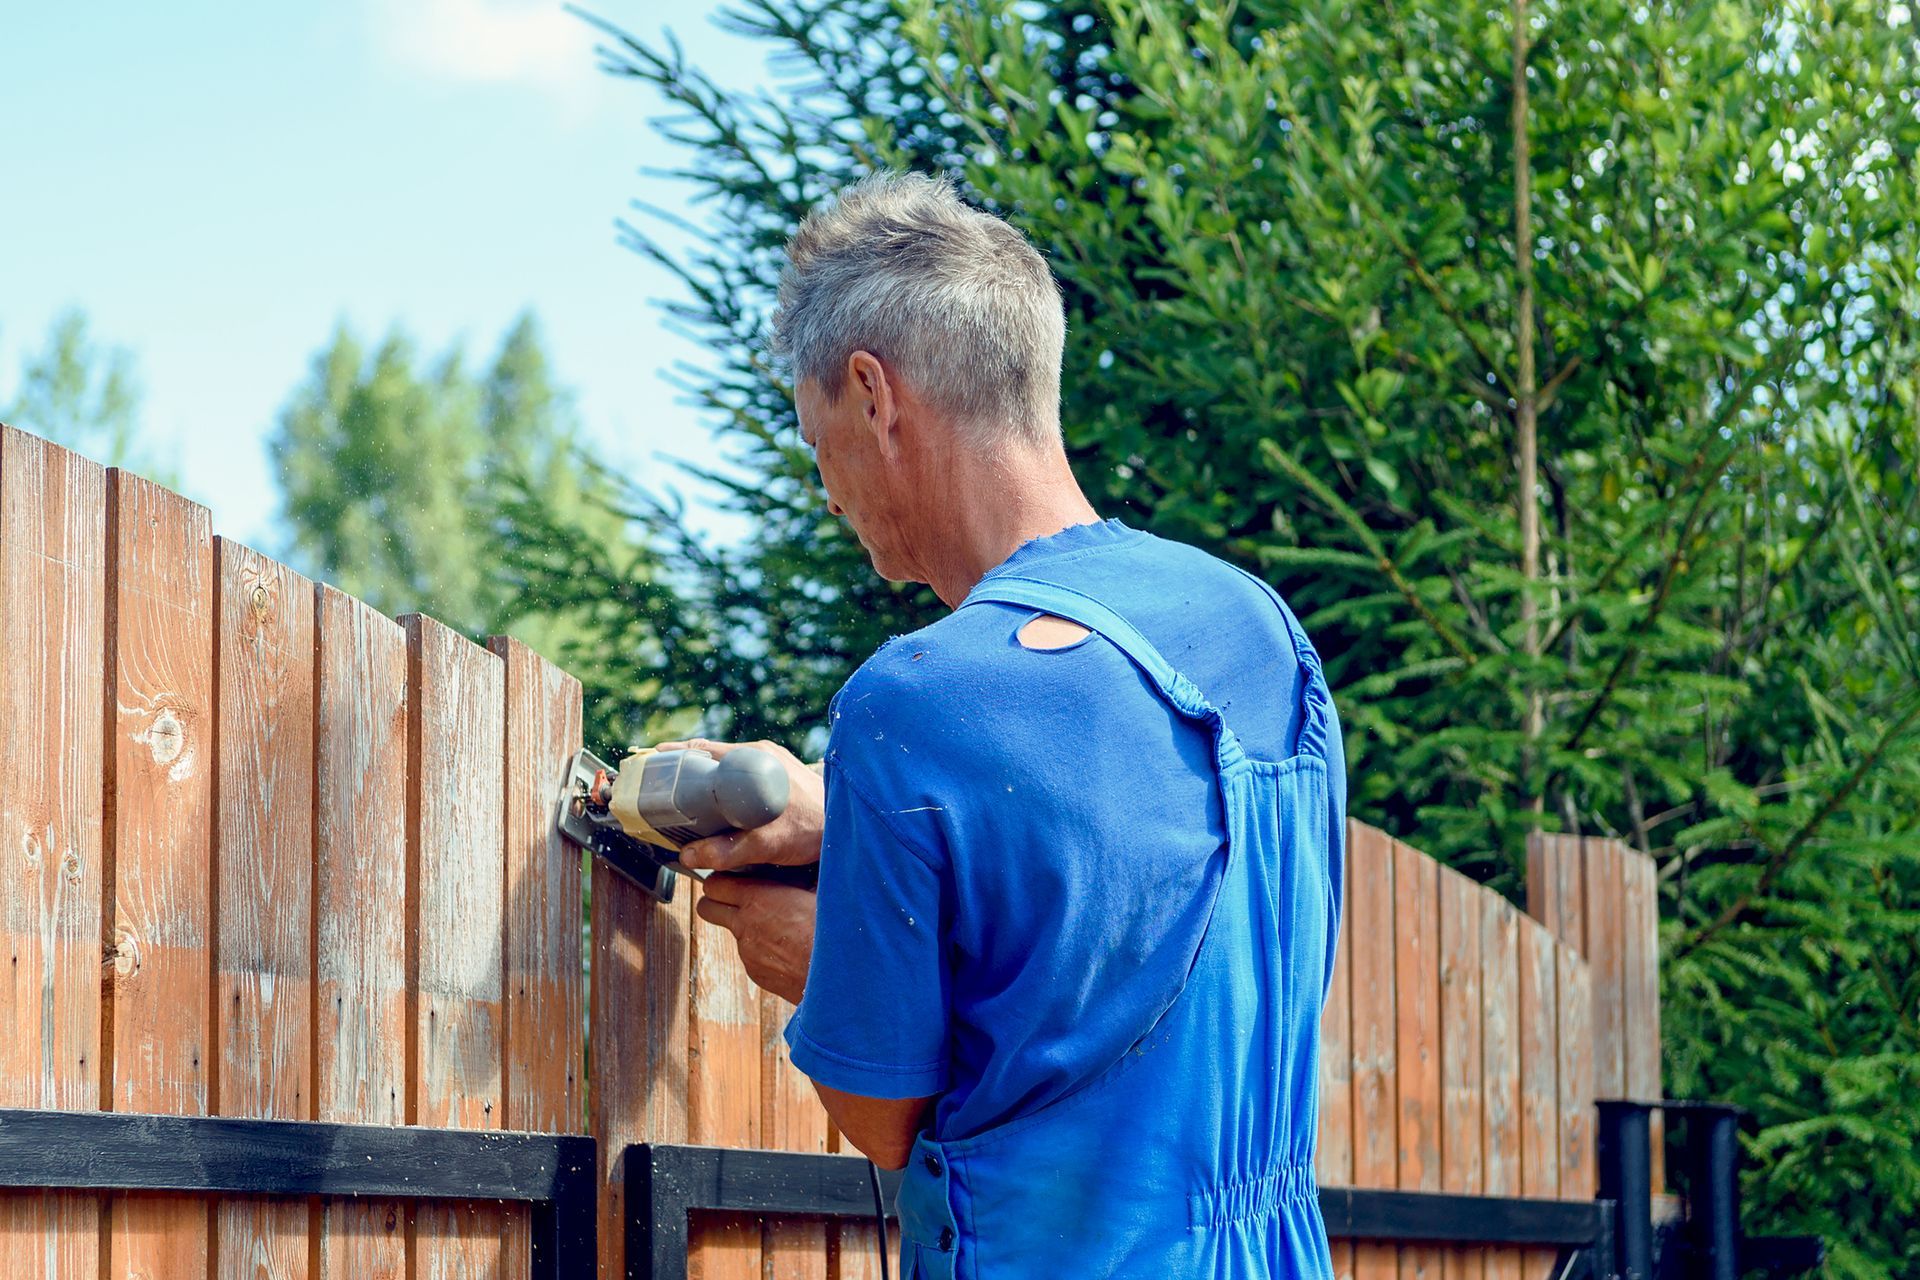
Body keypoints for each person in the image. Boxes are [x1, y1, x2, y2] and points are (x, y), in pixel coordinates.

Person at [664, 170, 1345, 1279]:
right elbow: (1128, 854)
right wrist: (843, 819)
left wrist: (829, 952)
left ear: (875, 393)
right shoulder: (1261, 633)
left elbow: (883, 1113)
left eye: (813, 430)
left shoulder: (915, 703)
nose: (826, 488)